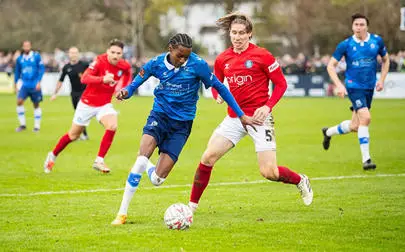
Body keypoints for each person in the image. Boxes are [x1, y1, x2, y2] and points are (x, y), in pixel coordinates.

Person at [111, 33, 256, 225]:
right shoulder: (155, 63)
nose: (183, 60)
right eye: (180, 55)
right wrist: (125, 92)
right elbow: (134, 85)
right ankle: (122, 213)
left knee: (157, 180)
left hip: (182, 125)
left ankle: (145, 162)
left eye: (186, 56)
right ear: (170, 48)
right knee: (140, 159)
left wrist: (240, 114)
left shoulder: (198, 65)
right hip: (159, 116)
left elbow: (221, 88)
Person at [186, 12, 313, 214]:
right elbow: (216, 83)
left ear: (249, 34)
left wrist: (267, 106)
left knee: (269, 172)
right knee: (208, 157)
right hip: (234, 118)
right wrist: (217, 94)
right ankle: (190, 208)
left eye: (241, 33)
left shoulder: (263, 55)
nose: (237, 37)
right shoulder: (222, 59)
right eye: (233, 33)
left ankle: (300, 180)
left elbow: (281, 84)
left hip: (259, 119)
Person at [43, 39, 131, 174]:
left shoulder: (124, 65)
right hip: (87, 104)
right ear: (108, 51)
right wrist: (102, 79)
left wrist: (123, 90)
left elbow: (128, 74)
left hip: (104, 105)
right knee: (73, 135)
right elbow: (84, 78)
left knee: (112, 126)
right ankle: (52, 155)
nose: (115, 55)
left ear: (122, 54)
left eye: (118, 53)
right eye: (112, 52)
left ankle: (99, 161)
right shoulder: (99, 61)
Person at [322, 13, 389, 170]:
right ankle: (367, 160)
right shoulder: (345, 45)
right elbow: (330, 66)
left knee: (355, 126)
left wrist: (382, 80)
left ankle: (328, 132)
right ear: (352, 27)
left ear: (367, 26)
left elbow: (386, 60)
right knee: (366, 118)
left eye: (362, 24)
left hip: (369, 87)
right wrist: (339, 85)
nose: (359, 27)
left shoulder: (376, 41)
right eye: (356, 25)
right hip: (353, 86)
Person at [51, 47, 90, 140]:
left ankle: (83, 135)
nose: (74, 54)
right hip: (74, 93)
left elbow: (93, 74)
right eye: (72, 53)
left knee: (81, 113)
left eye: (75, 53)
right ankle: (83, 134)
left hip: (84, 92)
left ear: (78, 54)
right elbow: (61, 80)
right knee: (78, 114)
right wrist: (55, 93)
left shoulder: (84, 65)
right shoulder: (66, 67)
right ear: (69, 54)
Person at [14, 40, 45, 132]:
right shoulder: (19, 59)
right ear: (23, 47)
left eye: (28, 46)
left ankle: (37, 126)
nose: (26, 47)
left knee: (36, 104)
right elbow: (17, 72)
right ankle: (22, 125)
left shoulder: (36, 56)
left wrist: (39, 81)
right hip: (25, 85)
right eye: (25, 46)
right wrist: (15, 83)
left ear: (30, 46)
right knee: (19, 101)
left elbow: (41, 69)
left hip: (35, 84)